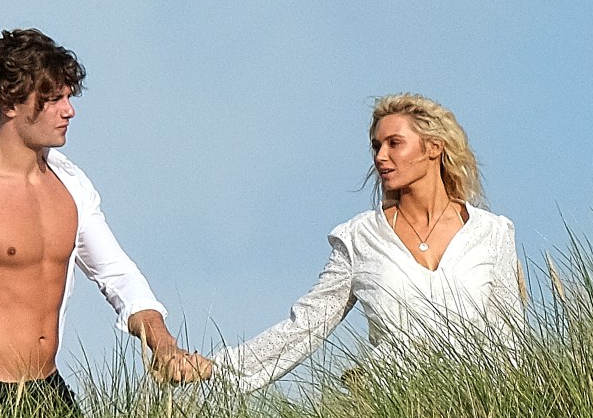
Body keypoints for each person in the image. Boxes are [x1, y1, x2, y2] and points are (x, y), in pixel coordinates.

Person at [0, 28, 210, 415]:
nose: (69, 110)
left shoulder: (71, 185)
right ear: (9, 103)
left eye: (68, 97)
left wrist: (164, 345)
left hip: (47, 391)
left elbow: (117, 275)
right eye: (52, 100)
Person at [213, 93, 524, 392]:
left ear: (434, 148)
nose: (380, 156)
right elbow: (305, 327)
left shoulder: (491, 232)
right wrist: (218, 367)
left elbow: (510, 334)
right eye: (376, 146)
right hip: (394, 408)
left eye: (394, 144)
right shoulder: (358, 238)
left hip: (477, 410)